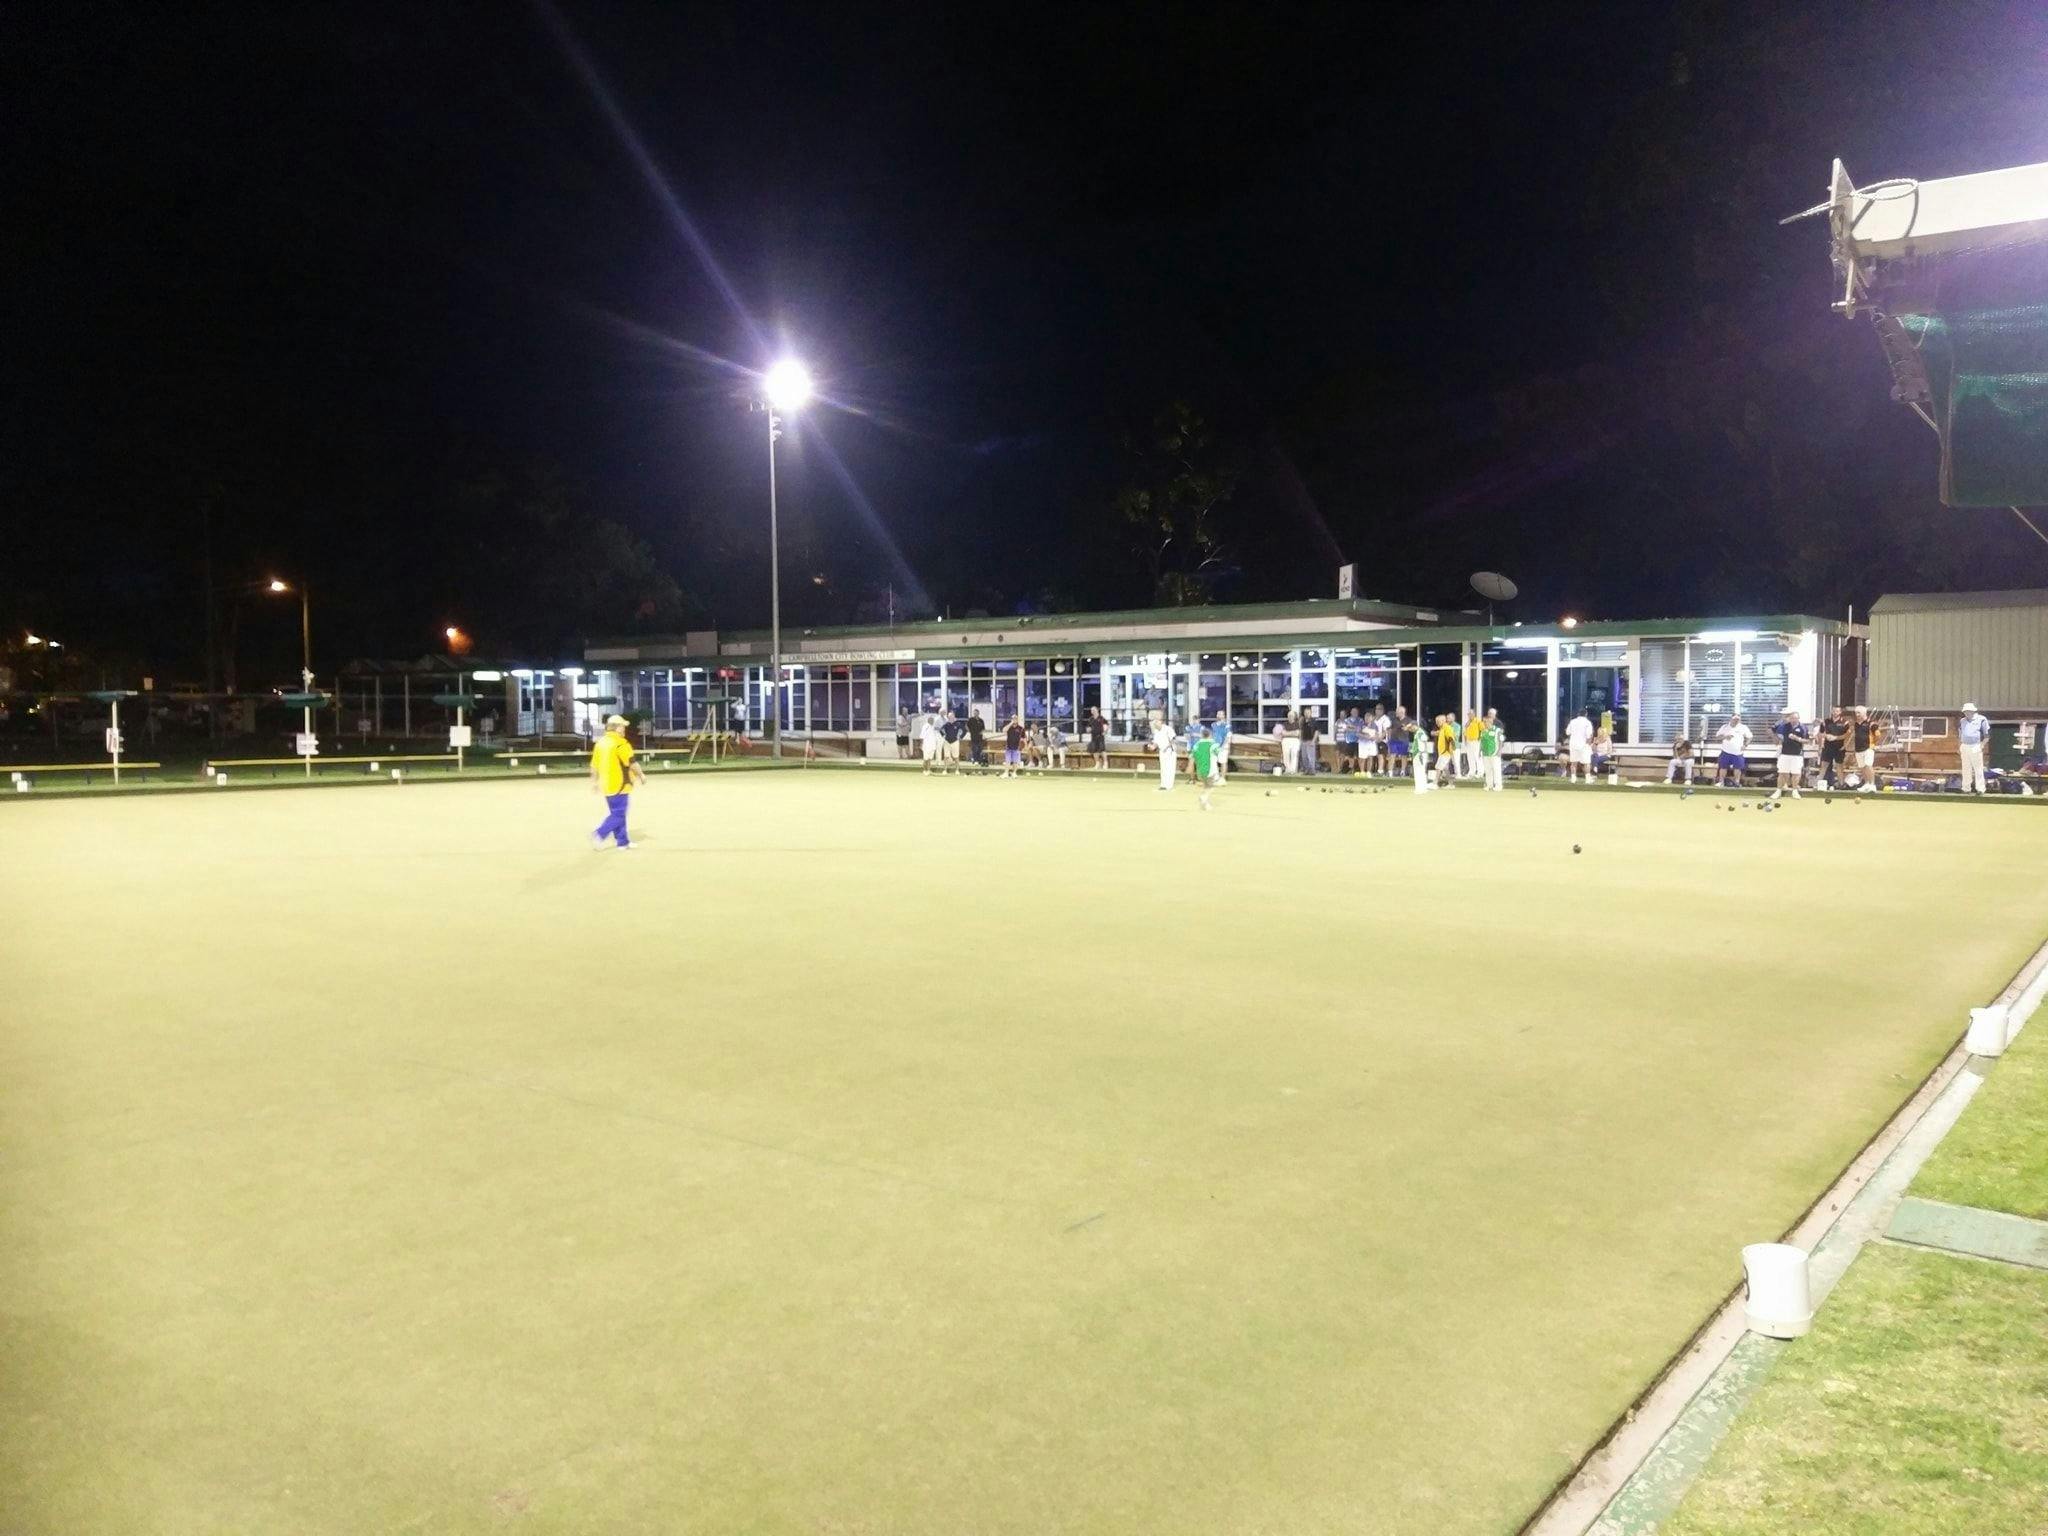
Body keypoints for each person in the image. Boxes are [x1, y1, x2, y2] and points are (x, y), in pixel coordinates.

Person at [588, 713, 645, 850]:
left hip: (606, 785)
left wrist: (594, 782)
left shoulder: (600, 743)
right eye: (622, 726)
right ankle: (599, 834)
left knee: (617, 812)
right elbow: (632, 763)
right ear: (616, 728)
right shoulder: (621, 744)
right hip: (621, 784)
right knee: (619, 814)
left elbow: (594, 765)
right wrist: (642, 775)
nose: (624, 729)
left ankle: (622, 842)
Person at [1770, 708, 1808, 801]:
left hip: (1797, 754)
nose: (1793, 720)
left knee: (1796, 773)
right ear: (1789, 718)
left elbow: (1807, 741)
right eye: (1791, 718)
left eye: (1795, 718)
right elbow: (1774, 732)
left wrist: (1797, 738)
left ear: (1798, 718)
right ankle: (1778, 791)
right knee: (1782, 772)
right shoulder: (1784, 726)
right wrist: (1777, 740)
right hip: (1784, 753)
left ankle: (1795, 791)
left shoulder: (1803, 727)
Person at [1958, 701, 1991, 794]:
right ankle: (1966, 788)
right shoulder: (1962, 721)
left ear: (1973, 711)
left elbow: (1987, 735)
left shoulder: (1982, 719)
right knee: (1965, 768)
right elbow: (1960, 734)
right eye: (1965, 711)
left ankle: (1980, 789)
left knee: (1978, 768)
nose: (1966, 713)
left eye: (1968, 711)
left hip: (1975, 745)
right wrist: (1959, 746)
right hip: (1964, 746)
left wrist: (1982, 745)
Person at [1714, 713, 1752, 788]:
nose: (1736, 721)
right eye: (1735, 719)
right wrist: (1725, 736)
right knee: (1723, 767)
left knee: (1737, 768)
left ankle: (1737, 782)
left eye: (1737, 719)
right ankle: (1721, 782)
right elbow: (1717, 737)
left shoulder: (1743, 727)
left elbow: (1750, 737)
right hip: (1726, 751)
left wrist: (1745, 745)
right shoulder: (1724, 727)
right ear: (1731, 718)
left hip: (1738, 752)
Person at [1817, 705, 1850, 789]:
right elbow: (1820, 734)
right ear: (1832, 711)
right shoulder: (1826, 721)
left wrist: (1836, 738)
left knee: (1839, 766)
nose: (1835, 712)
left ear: (1840, 712)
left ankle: (1841, 784)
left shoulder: (1845, 722)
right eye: (1834, 711)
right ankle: (1818, 784)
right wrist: (1826, 736)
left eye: (1837, 711)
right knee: (1824, 765)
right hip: (1827, 747)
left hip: (1839, 747)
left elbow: (1848, 735)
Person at [1850, 705, 1879, 793]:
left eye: (1859, 713)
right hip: (1858, 748)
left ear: (1864, 713)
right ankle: (1866, 784)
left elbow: (1877, 735)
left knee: (1868, 765)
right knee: (1862, 767)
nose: (1857, 715)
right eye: (1856, 713)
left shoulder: (1871, 723)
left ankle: (1872, 785)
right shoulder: (1856, 724)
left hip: (1868, 748)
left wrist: (1873, 743)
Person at [1190, 723, 1220, 809]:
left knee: (1206, 785)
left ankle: (1206, 804)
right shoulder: (1213, 744)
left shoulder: (1196, 745)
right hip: (1210, 769)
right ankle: (1204, 798)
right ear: (1210, 735)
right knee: (1211, 786)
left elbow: (1192, 757)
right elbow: (1218, 753)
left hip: (1200, 769)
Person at [1563, 709, 1594, 783]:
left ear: (1578, 714)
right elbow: (1588, 734)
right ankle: (1587, 779)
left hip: (1573, 744)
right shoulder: (1587, 723)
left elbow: (1567, 732)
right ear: (1586, 714)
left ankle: (1573, 779)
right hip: (1584, 745)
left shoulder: (1572, 721)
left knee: (1574, 763)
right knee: (1587, 763)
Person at [1479, 708, 1505, 790]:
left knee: (1496, 770)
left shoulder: (1497, 730)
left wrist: (1500, 751)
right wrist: (1480, 751)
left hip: (1495, 753)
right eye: (1484, 722)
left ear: (1490, 722)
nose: (1484, 723)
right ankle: (1489, 785)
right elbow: (1482, 742)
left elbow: (1501, 740)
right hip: (1486, 754)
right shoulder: (1483, 731)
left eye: (1486, 722)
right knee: (1488, 770)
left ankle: (1498, 786)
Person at [1151, 712, 1177, 791]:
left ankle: (1169, 785)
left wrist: (1167, 747)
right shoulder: (1156, 732)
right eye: (1154, 724)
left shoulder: (1168, 729)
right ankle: (1163, 784)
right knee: (1163, 768)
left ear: (1160, 722)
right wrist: (1152, 747)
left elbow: (1173, 739)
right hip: (1162, 751)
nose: (1155, 725)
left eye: (1156, 723)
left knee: (1170, 768)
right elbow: (1155, 742)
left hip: (1170, 751)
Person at [1434, 714, 1458, 786]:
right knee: (1445, 768)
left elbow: (1451, 738)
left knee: (1438, 767)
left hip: (1446, 752)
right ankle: (1451, 784)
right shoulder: (1442, 729)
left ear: (1443, 721)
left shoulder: (1447, 728)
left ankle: (1434, 783)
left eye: (1438, 721)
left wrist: (1453, 748)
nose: (1437, 723)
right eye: (1436, 721)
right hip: (1442, 752)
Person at [1408, 717, 1431, 792]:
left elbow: (1425, 740)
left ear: (1415, 726)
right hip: (1418, 754)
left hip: (1420, 754)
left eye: (1411, 727)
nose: (1411, 729)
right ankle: (1422, 788)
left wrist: (1422, 752)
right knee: (1420, 771)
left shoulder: (1420, 732)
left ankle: (1420, 788)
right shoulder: (1418, 732)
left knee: (1419, 771)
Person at [1387, 706, 1410, 778]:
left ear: (1402, 712)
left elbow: (1412, 726)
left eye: (1397, 712)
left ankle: (1402, 771)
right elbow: (1389, 729)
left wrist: (1406, 727)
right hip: (1394, 740)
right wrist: (1389, 739)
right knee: (1392, 755)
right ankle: (1390, 772)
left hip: (1403, 741)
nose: (1396, 713)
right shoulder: (1394, 720)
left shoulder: (1408, 720)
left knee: (1404, 756)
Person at [1360, 706, 1382, 777]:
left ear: (1372, 718)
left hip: (1371, 744)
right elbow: (1357, 733)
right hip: (1363, 744)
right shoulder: (1361, 724)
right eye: (1366, 716)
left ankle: (1368, 772)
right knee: (1363, 758)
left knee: (1370, 757)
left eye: (1369, 717)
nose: (1367, 718)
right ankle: (1362, 772)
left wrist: (1374, 738)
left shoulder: (1375, 726)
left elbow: (1377, 735)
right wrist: (1365, 736)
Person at [1461, 710, 1483, 779]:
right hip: (1469, 742)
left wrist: (1480, 739)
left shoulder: (1478, 721)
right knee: (1470, 758)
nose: (1470, 715)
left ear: (1474, 714)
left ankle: (1480, 773)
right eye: (1468, 714)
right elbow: (1464, 733)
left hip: (1476, 741)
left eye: (1471, 714)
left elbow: (1482, 731)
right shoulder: (1467, 723)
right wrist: (1465, 741)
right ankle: (1472, 772)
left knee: (1477, 757)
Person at [1298, 711, 1320, 776]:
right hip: (1303, 741)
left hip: (1311, 741)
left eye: (1308, 713)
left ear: (1310, 713)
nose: (1306, 714)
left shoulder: (1314, 721)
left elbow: (1317, 731)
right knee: (1304, 757)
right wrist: (1300, 740)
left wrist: (1313, 741)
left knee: (1311, 757)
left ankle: (1312, 771)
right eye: (1305, 713)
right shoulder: (1303, 721)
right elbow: (1301, 730)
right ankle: (1306, 770)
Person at [1211, 714, 1232, 781]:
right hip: (1214, 746)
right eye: (1218, 714)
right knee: (1213, 762)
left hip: (1223, 747)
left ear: (1224, 716)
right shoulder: (1213, 725)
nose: (1219, 715)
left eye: (1221, 714)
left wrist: (1228, 747)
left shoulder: (1227, 726)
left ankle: (1222, 778)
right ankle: (1216, 777)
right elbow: (1212, 735)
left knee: (1223, 762)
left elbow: (1228, 737)